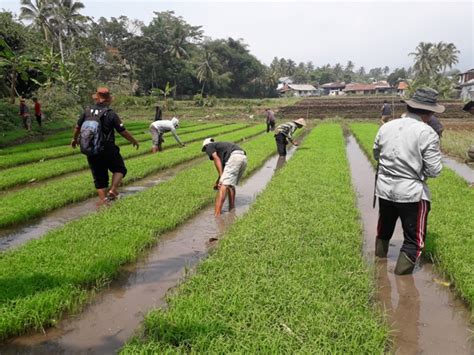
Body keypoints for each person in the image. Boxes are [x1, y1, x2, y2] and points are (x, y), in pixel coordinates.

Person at [373, 87, 443, 275]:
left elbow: (376, 154)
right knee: (414, 240)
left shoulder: (386, 127)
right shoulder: (427, 133)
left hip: (385, 189)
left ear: (410, 107)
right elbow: (435, 170)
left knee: (384, 228)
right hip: (411, 193)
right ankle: (402, 280)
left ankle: (379, 266)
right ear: (429, 113)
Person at [71, 87, 139, 204]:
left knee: (99, 179)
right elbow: (122, 131)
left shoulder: (86, 112)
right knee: (120, 169)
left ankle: (104, 203)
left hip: (91, 149)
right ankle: (112, 190)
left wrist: (74, 139)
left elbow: (77, 127)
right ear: (108, 99)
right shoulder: (110, 114)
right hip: (108, 148)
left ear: (96, 98)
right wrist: (133, 140)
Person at [202, 138, 247, 216]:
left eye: (205, 150)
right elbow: (224, 171)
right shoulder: (223, 149)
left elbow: (216, 159)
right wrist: (218, 181)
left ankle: (217, 215)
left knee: (223, 186)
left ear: (206, 146)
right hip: (243, 158)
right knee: (230, 185)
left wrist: (221, 179)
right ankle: (232, 209)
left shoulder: (209, 146)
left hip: (234, 158)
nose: (207, 152)